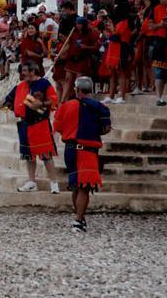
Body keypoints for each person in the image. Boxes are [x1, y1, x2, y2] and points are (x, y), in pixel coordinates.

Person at [0, 62, 60, 193]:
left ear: (33, 71)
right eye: (21, 72)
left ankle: (54, 183)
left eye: (25, 71)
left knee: (46, 154)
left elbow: (54, 100)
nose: (23, 74)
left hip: (40, 123)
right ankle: (31, 182)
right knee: (28, 156)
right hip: (24, 124)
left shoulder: (44, 84)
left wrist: (40, 103)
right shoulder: (20, 86)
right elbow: (6, 100)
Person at [54, 76, 112, 233]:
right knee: (84, 187)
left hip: (70, 150)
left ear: (77, 89)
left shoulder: (65, 106)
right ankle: (78, 221)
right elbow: (106, 129)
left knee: (75, 185)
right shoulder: (101, 108)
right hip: (87, 151)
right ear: (90, 90)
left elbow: (58, 127)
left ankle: (79, 218)